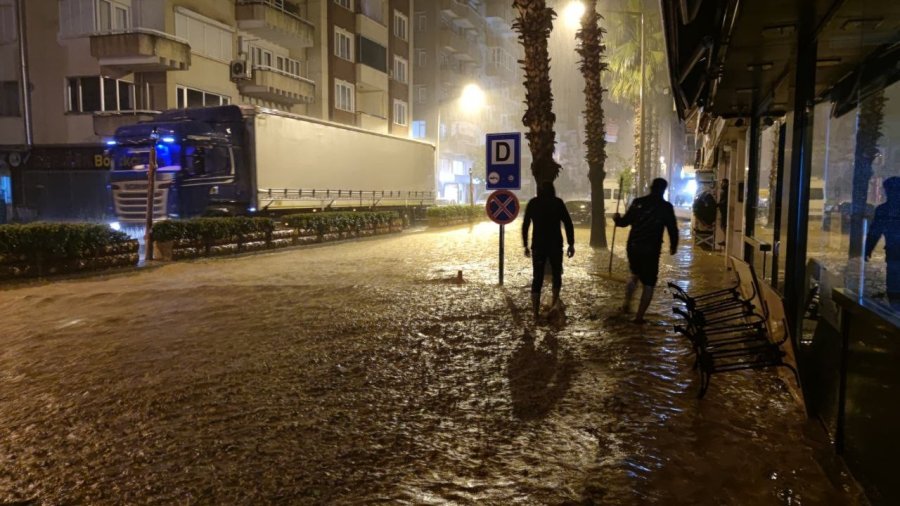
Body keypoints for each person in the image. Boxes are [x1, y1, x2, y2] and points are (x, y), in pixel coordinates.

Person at [613, 178, 679, 323]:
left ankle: (626, 304)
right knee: (649, 283)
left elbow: (624, 222)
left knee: (634, 274)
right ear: (664, 190)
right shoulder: (665, 207)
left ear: (651, 187)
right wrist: (673, 246)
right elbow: (672, 229)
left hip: (633, 247)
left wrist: (616, 219)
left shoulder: (638, 202)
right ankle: (639, 318)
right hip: (651, 250)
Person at [522, 182, 575, 320]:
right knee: (556, 275)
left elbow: (525, 224)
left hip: (538, 245)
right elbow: (568, 223)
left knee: (537, 277)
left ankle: (535, 313)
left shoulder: (533, 203)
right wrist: (571, 243)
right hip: (555, 245)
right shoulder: (558, 203)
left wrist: (525, 245)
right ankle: (554, 306)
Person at [864, 176, 900, 302]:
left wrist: (868, 249)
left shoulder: (883, 210)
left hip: (893, 252)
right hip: (893, 252)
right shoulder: (883, 210)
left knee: (894, 281)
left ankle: (894, 302)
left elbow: (875, 232)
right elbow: (875, 232)